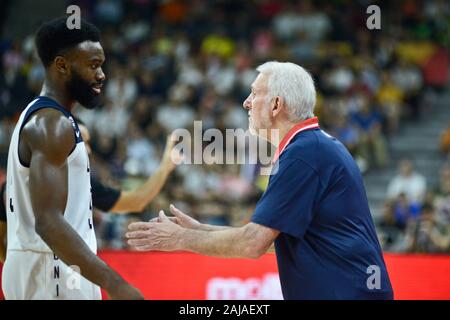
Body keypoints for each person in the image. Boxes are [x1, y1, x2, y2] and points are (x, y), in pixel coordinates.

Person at [126, 61, 394, 300]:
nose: (246, 102)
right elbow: (273, 241)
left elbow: (252, 243)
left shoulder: (303, 154)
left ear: (277, 104)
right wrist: (199, 230)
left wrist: (181, 239)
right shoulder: (312, 146)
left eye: (254, 93)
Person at [2, 17, 143, 300]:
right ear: (62, 65)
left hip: (46, 267)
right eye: (92, 65)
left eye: (101, 64)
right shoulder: (52, 125)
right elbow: (49, 222)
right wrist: (116, 284)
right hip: (54, 270)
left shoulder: (44, 116)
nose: (101, 74)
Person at [0, 121, 180, 264]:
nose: (88, 149)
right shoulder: (16, 184)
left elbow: (137, 201)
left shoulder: (84, 183)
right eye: (82, 142)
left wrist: (165, 166)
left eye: (87, 142)